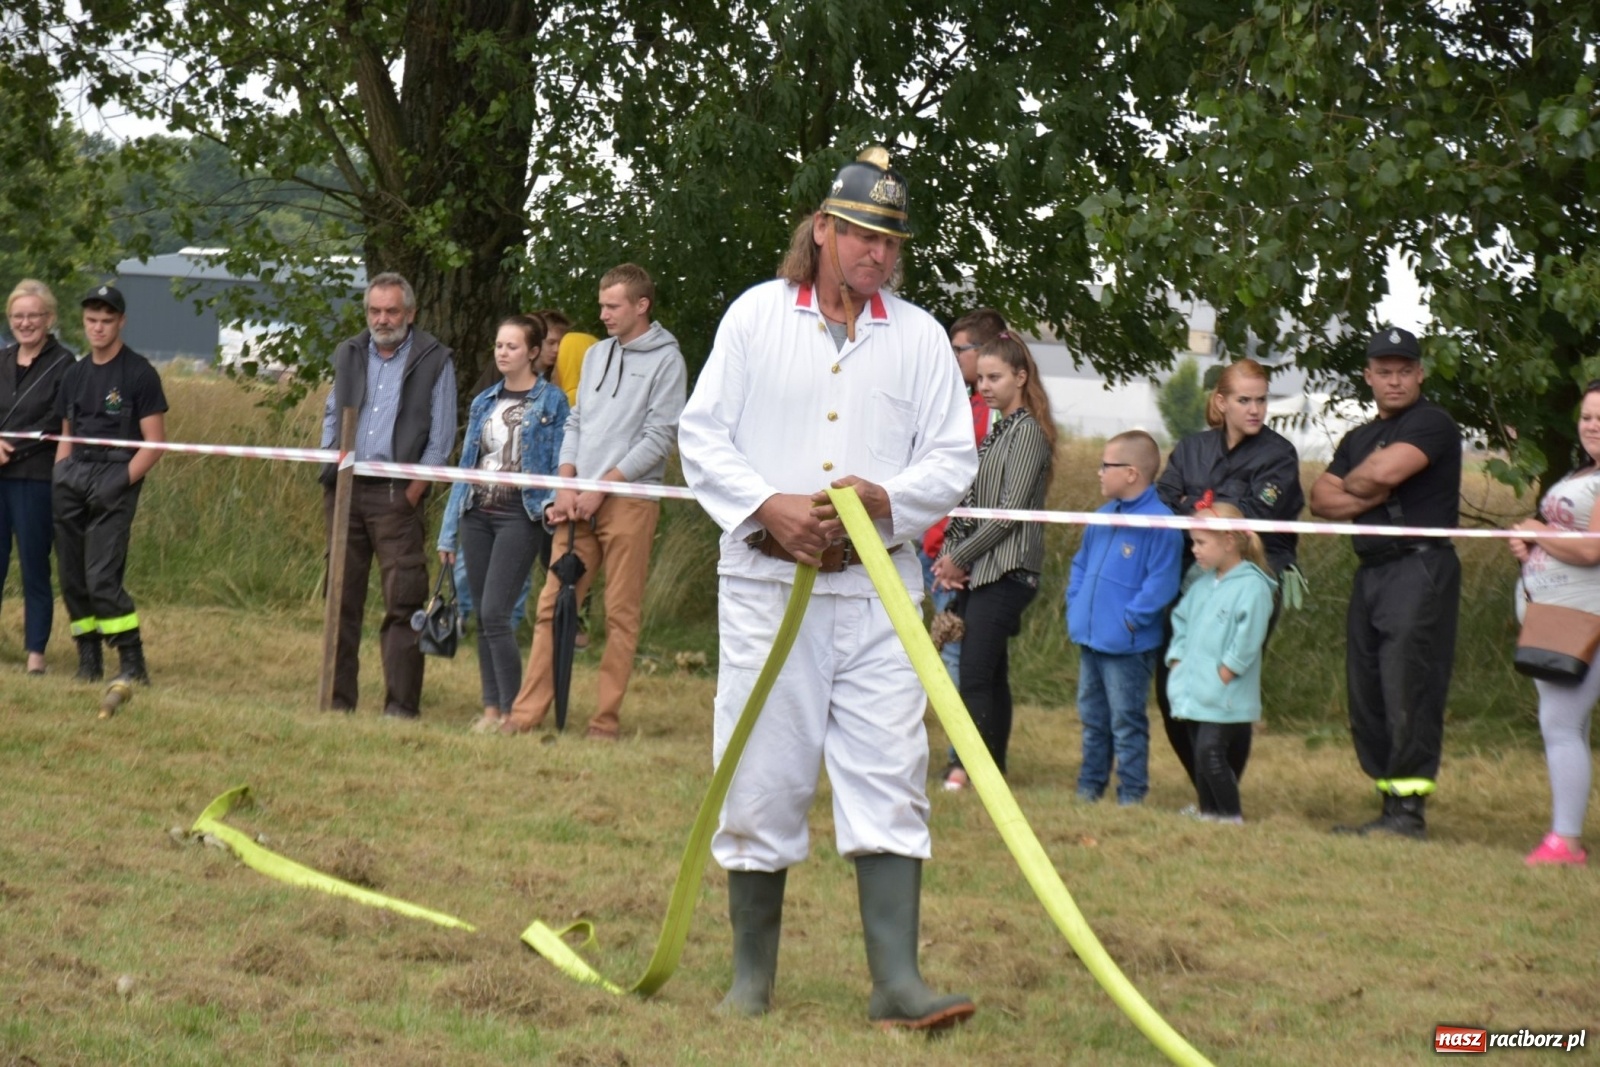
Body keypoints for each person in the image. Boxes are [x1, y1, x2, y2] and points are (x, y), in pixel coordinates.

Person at [678, 147, 979, 1029]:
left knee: (891, 770)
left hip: (880, 594)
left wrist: (889, 499)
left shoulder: (920, 336)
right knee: (764, 775)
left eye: (891, 242)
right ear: (823, 230)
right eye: (862, 236)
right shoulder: (755, 317)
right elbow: (704, 438)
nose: (878, 255)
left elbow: (954, 454)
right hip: (768, 591)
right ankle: (749, 982)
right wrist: (769, 506)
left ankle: (896, 983)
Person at [503, 263, 687, 740]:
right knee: (553, 606)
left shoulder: (668, 360)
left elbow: (658, 437)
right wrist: (565, 482)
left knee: (620, 614)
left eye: (613, 306)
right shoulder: (596, 354)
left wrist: (602, 487)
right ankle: (526, 715)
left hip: (628, 500)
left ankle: (604, 721)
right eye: (602, 304)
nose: (603, 313)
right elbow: (577, 421)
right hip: (577, 500)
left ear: (641, 306)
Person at [1310, 326, 1461, 839]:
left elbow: (1376, 475)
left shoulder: (1433, 423)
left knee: (1409, 688)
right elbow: (1322, 499)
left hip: (1419, 569)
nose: (1394, 381)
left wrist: (1368, 481)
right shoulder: (1359, 437)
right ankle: (1387, 801)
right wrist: (1371, 485)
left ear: (1419, 374)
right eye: (1384, 372)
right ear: (1368, 377)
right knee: (1368, 691)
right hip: (1371, 570)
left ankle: (1408, 813)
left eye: (1404, 371)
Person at [1155, 358, 1303, 790]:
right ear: (1221, 402)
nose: (1255, 409)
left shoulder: (1279, 456)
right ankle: (1208, 790)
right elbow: (1163, 501)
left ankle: (1223, 793)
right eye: (1244, 400)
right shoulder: (1190, 448)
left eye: (1261, 400)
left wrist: (1194, 506)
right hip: (1189, 573)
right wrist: (1208, 510)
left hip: (1252, 576)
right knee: (1174, 681)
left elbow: (1251, 518)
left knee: (1223, 684)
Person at [319, 272, 457, 719]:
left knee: (403, 600)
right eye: (375, 311)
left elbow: (440, 440)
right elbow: (330, 413)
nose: (382, 319)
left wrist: (414, 494)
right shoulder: (349, 352)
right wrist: (330, 468)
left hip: (399, 496)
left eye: (392, 311)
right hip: (346, 490)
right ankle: (337, 702)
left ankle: (400, 707)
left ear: (411, 313)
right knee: (341, 598)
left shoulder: (436, 359)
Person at [932, 331, 1055, 791]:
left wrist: (959, 558)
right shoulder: (997, 430)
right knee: (992, 674)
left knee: (976, 676)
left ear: (1021, 378)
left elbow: (1007, 515)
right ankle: (992, 772)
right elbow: (972, 502)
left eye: (995, 377)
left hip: (1009, 571)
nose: (984, 386)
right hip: (981, 570)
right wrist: (949, 555)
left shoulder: (1028, 434)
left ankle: (973, 771)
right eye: (980, 377)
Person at [438, 315, 568, 734]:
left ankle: (515, 713)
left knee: (496, 612)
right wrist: (448, 530)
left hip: (520, 515)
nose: (502, 353)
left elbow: (557, 462)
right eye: (498, 345)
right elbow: (466, 467)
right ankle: (491, 708)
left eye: (512, 346)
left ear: (533, 352)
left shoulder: (552, 402)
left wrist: (551, 503)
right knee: (480, 613)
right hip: (477, 514)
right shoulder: (483, 402)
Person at [53, 285, 168, 685]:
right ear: (83, 322)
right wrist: (60, 475)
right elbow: (66, 433)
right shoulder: (73, 374)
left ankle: (132, 661)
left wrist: (120, 482)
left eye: (106, 321)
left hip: (115, 477)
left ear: (121, 321)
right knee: (72, 578)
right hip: (73, 476)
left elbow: (155, 444)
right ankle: (88, 659)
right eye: (91, 321)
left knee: (102, 577)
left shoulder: (139, 373)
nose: (98, 328)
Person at [1508, 381, 1600, 866]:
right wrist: (1531, 541)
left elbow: (1592, 547)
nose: (1592, 425)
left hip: (1587, 619)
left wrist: (1541, 533)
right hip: (1554, 617)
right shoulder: (1583, 472)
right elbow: (1565, 535)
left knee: (1561, 723)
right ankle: (1567, 834)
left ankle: (1565, 842)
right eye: (1587, 416)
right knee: (1568, 724)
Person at [1066, 430, 1184, 806]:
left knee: (1126, 721)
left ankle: (1131, 793)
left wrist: (1131, 620)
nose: (1100, 472)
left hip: (1127, 646)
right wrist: (1076, 603)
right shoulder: (1102, 516)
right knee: (1092, 718)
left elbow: (1161, 583)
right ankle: (1090, 786)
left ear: (1131, 473)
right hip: (1090, 637)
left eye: (1106, 465)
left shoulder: (1161, 523)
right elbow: (1081, 565)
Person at [1165, 503, 1277, 824]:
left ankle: (1230, 817)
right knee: (1201, 753)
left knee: (1210, 753)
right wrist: (1177, 659)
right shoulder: (1201, 586)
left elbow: (1249, 636)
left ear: (1228, 540)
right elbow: (1182, 623)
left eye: (1201, 543)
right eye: (1193, 542)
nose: (1194, 550)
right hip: (1195, 690)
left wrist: (1227, 670)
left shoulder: (1253, 586)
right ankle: (1209, 812)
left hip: (1226, 694)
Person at [921, 307, 1004, 688]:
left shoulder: (996, 415)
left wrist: (963, 553)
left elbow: (989, 490)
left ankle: (964, 748)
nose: (953, 358)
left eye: (960, 350)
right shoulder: (966, 405)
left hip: (961, 552)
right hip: (936, 544)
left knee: (958, 648)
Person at [0, 280, 73, 675]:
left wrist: (9, 447)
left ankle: (35, 655)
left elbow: (58, 423)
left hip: (35, 478)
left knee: (33, 566)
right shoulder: (1, 359)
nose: (25, 323)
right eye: (17, 316)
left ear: (48, 318)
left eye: (33, 315)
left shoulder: (65, 364)